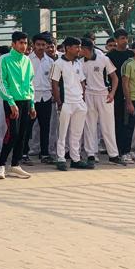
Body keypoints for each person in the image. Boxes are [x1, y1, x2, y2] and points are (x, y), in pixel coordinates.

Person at [0, 32, 36, 179]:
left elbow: (30, 83)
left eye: (25, 43)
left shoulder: (27, 60)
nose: (24, 46)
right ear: (13, 44)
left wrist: (32, 104)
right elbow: (1, 82)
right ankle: (0, 165)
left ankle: (15, 165)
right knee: (13, 133)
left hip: (25, 101)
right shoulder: (4, 59)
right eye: (20, 43)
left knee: (23, 134)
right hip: (11, 102)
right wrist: (11, 102)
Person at [79, 38, 124, 166]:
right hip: (88, 95)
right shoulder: (80, 62)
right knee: (89, 125)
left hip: (104, 95)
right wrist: (83, 95)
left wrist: (112, 93)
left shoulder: (103, 59)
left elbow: (115, 78)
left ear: (86, 49)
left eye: (80, 48)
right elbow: (81, 81)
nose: (78, 50)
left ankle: (113, 155)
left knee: (108, 125)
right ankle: (91, 154)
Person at [50, 37, 92, 170]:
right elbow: (54, 84)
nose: (79, 50)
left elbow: (82, 82)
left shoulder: (78, 63)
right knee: (62, 132)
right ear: (68, 48)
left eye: (80, 47)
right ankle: (61, 159)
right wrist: (59, 102)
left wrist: (83, 99)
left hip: (79, 102)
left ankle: (76, 159)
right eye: (77, 47)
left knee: (76, 133)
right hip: (66, 102)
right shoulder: (58, 64)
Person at [107, 29, 135, 162]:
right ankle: (119, 151)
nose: (125, 41)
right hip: (116, 93)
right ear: (116, 40)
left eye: (126, 38)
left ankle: (127, 150)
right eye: (122, 38)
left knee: (129, 123)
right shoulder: (110, 56)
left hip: (131, 93)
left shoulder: (131, 54)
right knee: (118, 122)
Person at [28, 34, 55, 164]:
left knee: (45, 127)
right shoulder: (27, 60)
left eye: (43, 45)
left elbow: (53, 81)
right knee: (27, 127)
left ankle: (44, 154)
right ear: (33, 45)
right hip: (31, 98)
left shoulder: (50, 62)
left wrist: (55, 95)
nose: (40, 47)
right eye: (38, 44)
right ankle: (23, 154)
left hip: (46, 97)